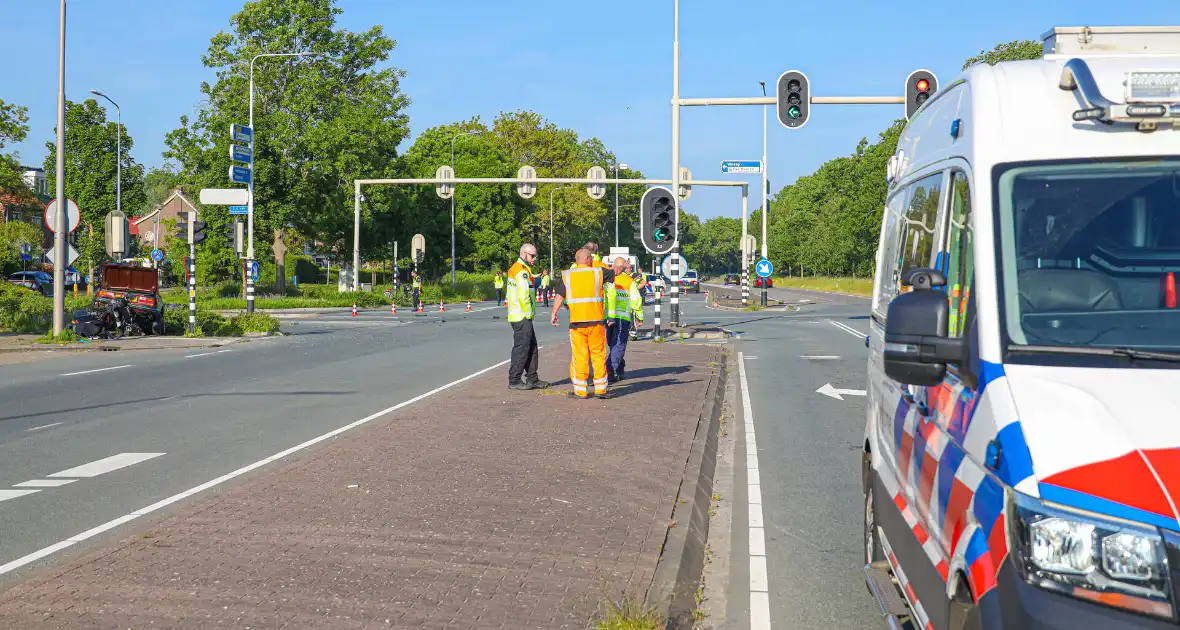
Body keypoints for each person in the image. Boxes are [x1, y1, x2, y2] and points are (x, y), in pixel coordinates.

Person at [551, 248, 613, 399]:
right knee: (598, 355)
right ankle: (601, 390)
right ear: (588, 260)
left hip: (577, 324)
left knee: (580, 356)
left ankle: (580, 391)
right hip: (596, 322)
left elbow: (559, 296)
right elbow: (613, 272)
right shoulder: (598, 272)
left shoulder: (566, 275)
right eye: (591, 258)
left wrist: (554, 313)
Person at [507, 244, 549, 390]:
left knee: (531, 347)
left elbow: (530, 283)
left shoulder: (522, 269)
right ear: (524, 254)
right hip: (521, 315)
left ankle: (532, 378)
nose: (534, 259)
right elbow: (523, 294)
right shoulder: (521, 271)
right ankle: (514, 380)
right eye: (532, 256)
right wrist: (528, 314)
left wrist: (539, 278)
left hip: (518, 314)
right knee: (522, 348)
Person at [606, 256, 644, 381]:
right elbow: (636, 300)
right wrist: (639, 316)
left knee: (614, 344)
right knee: (618, 344)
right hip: (622, 317)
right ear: (623, 268)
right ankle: (613, 369)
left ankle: (613, 370)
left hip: (608, 317)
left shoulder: (605, 278)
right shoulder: (629, 281)